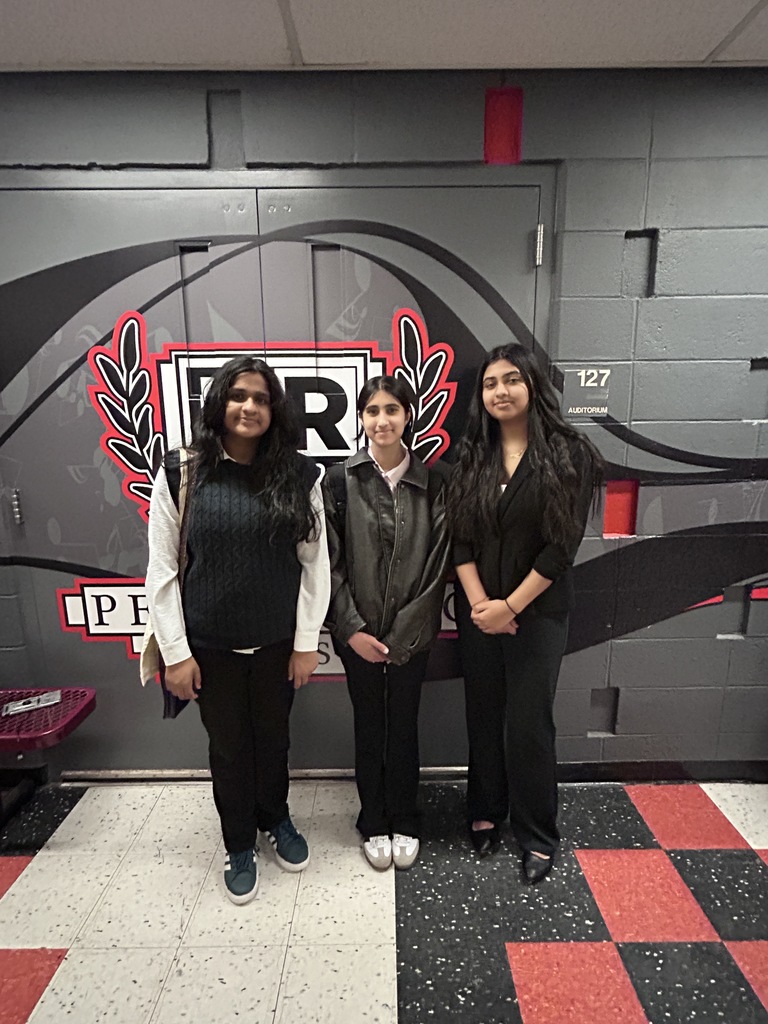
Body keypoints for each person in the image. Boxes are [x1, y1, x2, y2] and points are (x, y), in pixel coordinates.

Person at [145, 355, 330, 905]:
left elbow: (314, 562)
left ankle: (277, 818)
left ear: (275, 409)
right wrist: (176, 655)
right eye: (238, 395)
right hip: (210, 647)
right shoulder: (183, 472)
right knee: (228, 748)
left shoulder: (301, 475)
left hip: (276, 644)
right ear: (220, 403)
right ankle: (239, 842)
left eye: (261, 398)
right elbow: (162, 569)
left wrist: (304, 645)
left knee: (273, 741)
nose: (250, 407)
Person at [445, 343, 603, 884]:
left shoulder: (570, 452)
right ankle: (485, 809)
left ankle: (537, 833)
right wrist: (482, 608)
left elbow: (562, 548)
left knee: (529, 725)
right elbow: (459, 542)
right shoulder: (472, 456)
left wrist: (510, 607)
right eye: (490, 383)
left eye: (511, 380)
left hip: (538, 615)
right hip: (481, 613)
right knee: (483, 717)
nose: (500, 391)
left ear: (533, 386)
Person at [323, 375, 451, 871]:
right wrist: (353, 629)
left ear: (408, 416)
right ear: (361, 418)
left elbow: (439, 564)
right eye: (372, 410)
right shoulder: (338, 482)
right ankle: (372, 819)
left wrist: (401, 636)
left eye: (392, 409)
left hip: (411, 639)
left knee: (404, 726)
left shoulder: (433, 482)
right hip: (358, 637)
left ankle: (405, 817)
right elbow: (327, 564)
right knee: (368, 725)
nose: (382, 420)